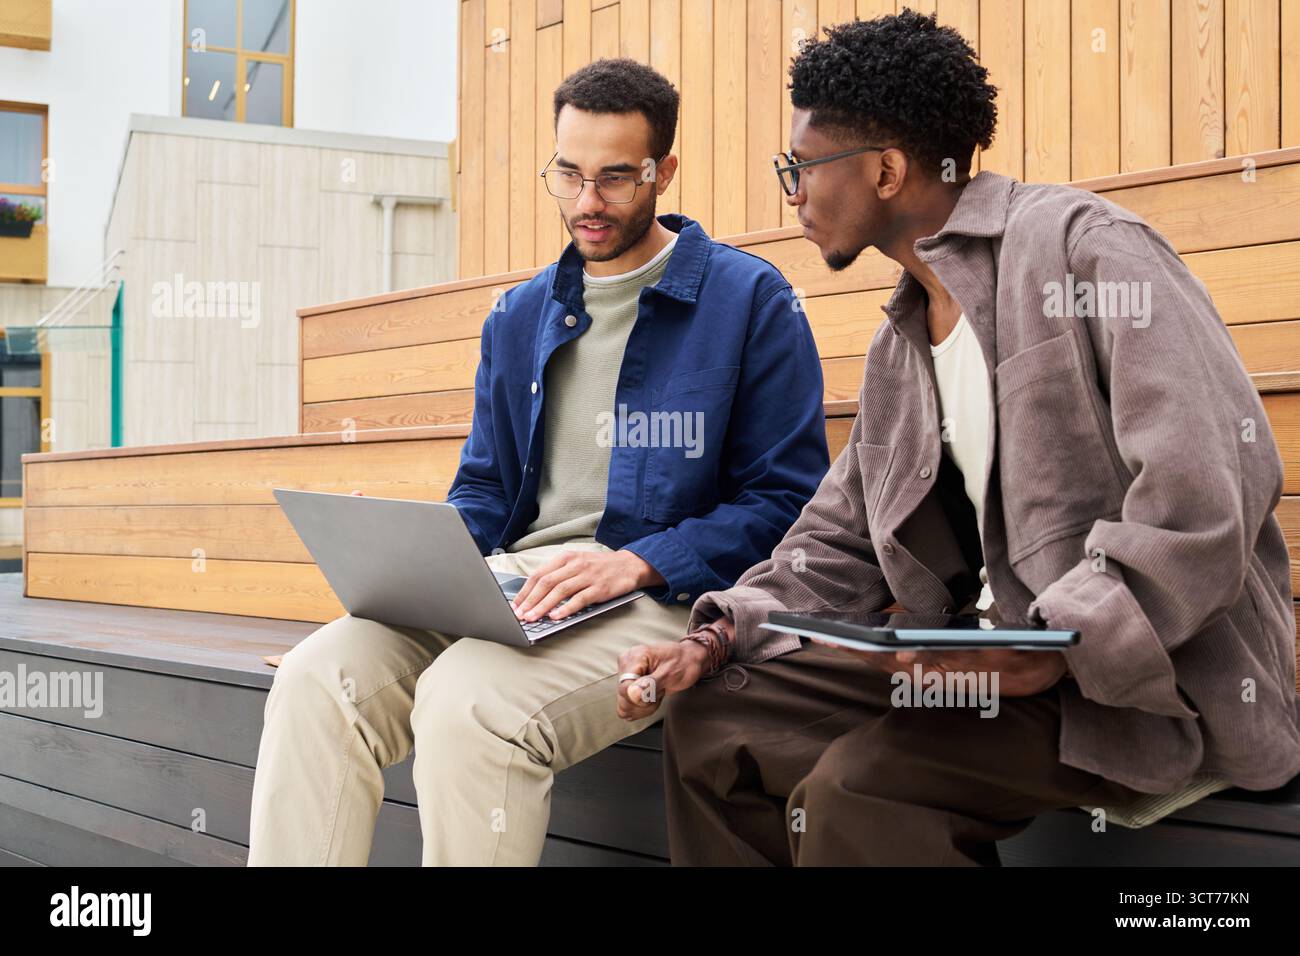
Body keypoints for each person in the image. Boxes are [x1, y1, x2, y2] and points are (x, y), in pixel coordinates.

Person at [617, 10, 1300, 866]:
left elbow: (1207, 491)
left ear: (888, 170)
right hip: (987, 666)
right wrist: (715, 638)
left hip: (1131, 683)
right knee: (718, 715)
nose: (792, 192)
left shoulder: (1088, 252)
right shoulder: (902, 342)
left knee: (859, 789)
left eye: (801, 166)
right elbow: (838, 539)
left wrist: (1055, 641)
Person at [248, 58, 829, 866]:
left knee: (467, 703)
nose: (586, 204)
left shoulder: (749, 300)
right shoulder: (520, 314)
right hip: (517, 586)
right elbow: (487, 486)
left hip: (661, 596)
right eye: (568, 174)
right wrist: (413, 548)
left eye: (616, 179)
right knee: (315, 678)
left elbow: (785, 501)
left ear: (664, 171)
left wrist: (636, 562)